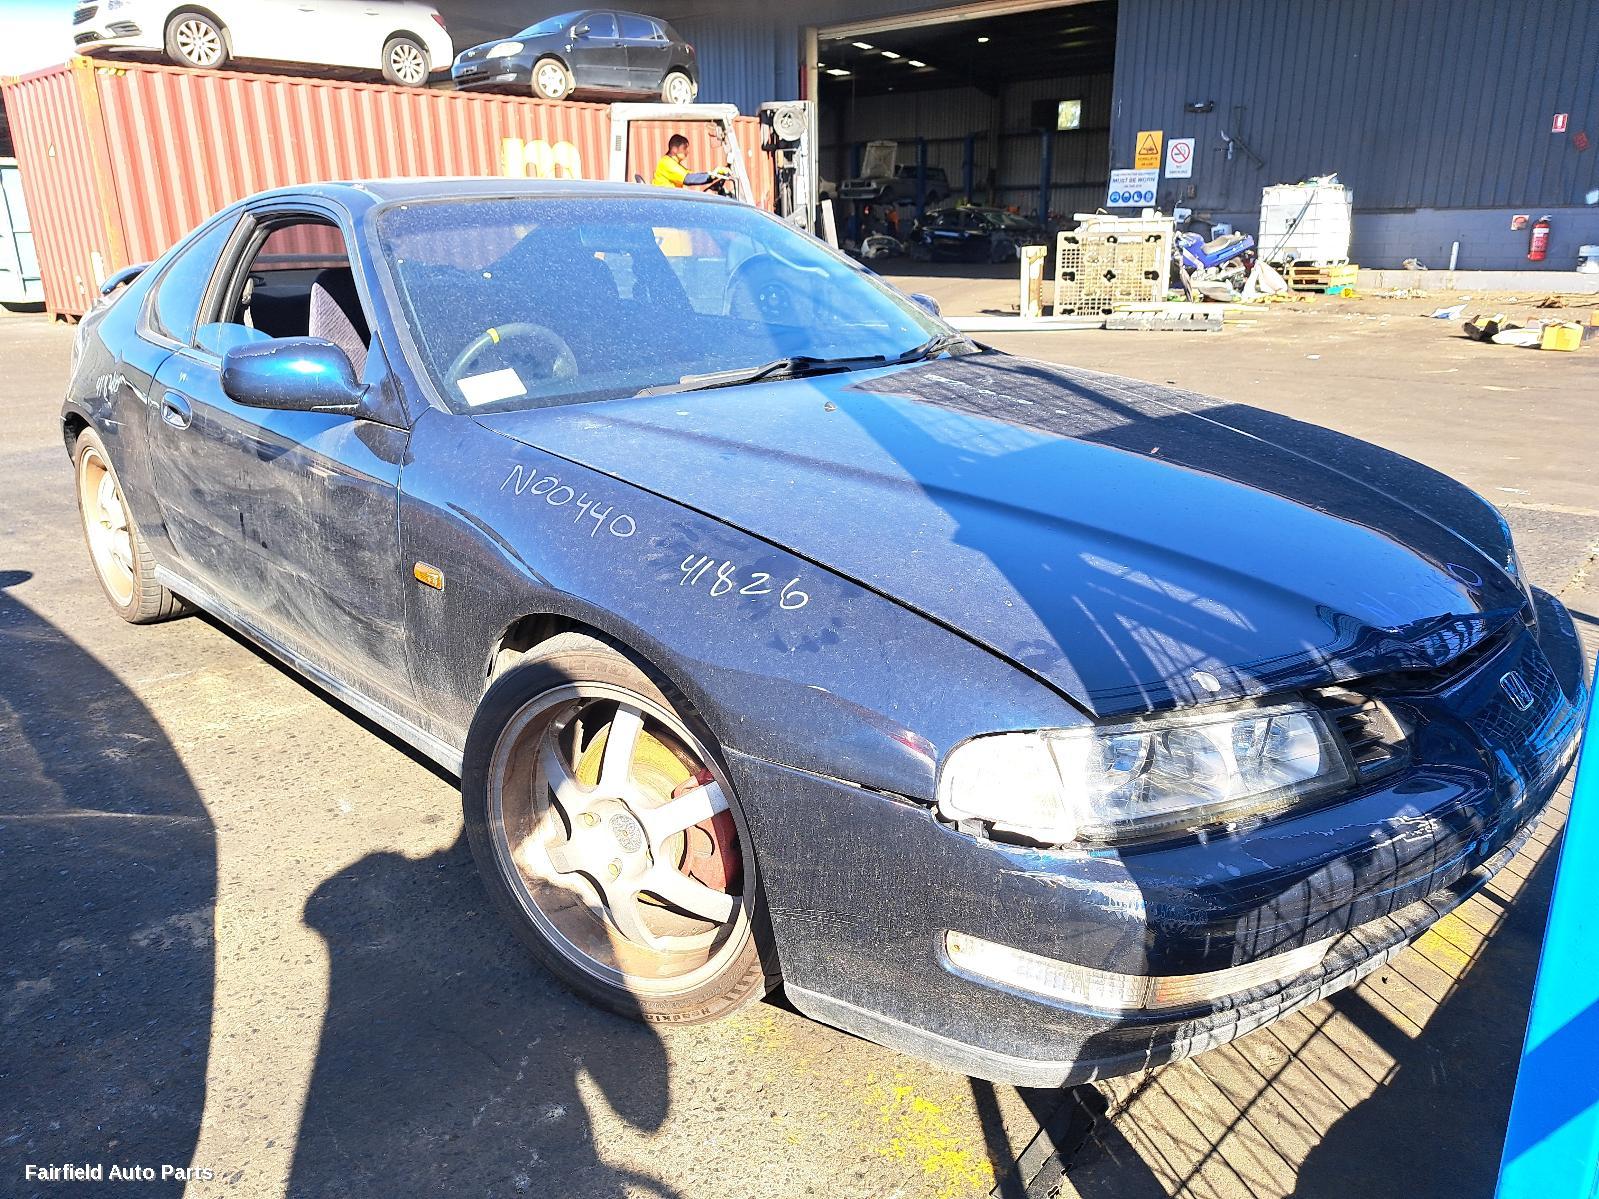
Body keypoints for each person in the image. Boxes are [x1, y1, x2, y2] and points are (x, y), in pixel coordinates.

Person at [652, 133, 730, 192]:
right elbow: (688, 179)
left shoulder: (673, 164)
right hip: (667, 202)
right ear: (674, 149)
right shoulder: (667, 163)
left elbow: (692, 175)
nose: (687, 152)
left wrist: (713, 174)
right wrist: (712, 175)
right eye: (685, 148)